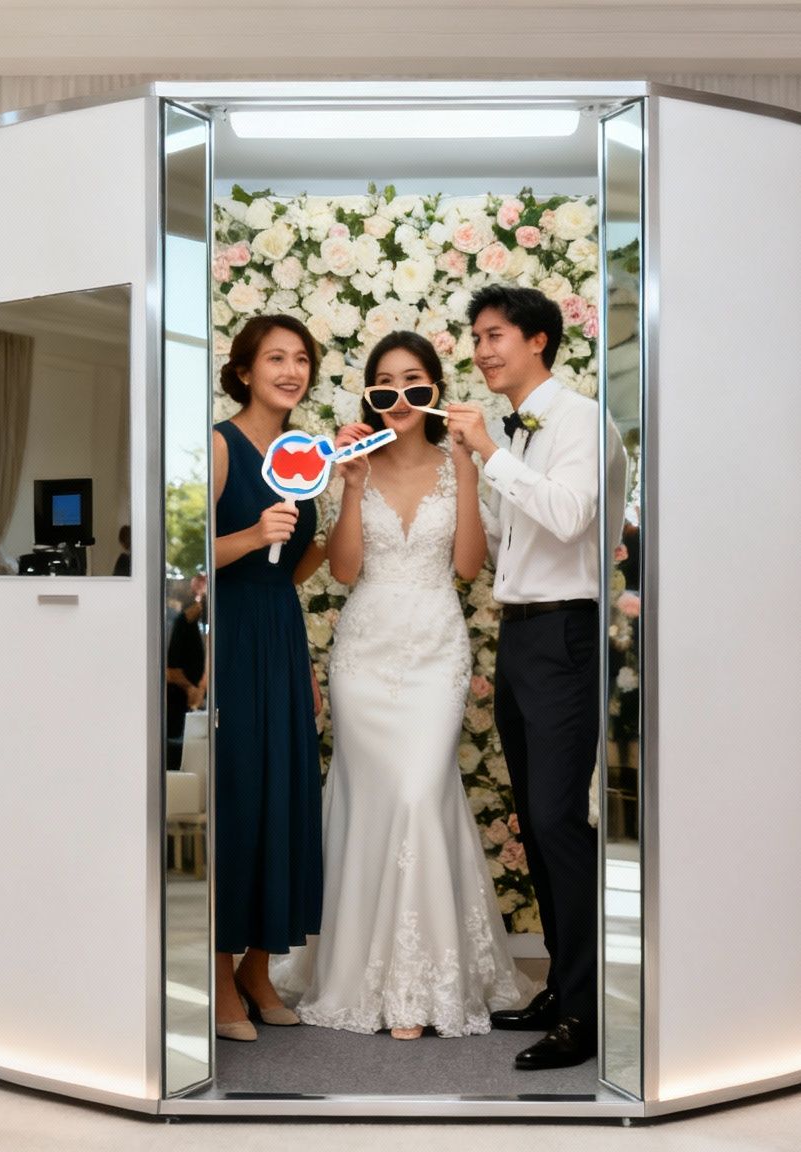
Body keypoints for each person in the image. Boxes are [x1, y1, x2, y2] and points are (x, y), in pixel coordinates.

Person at [280, 332, 529, 1041]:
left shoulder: (457, 465)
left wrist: (472, 473)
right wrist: (351, 489)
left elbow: (469, 567)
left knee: (422, 793)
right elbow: (347, 571)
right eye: (385, 386)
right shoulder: (352, 468)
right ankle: (365, 979)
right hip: (365, 656)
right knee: (376, 802)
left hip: (435, 652)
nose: (399, 398)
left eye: (414, 385)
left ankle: (426, 982)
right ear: (371, 395)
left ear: (433, 393)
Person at [443, 284, 623, 1072]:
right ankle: (560, 985)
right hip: (520, 637)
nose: (482, 351)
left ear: (539, 341)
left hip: (564, 635)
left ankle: (583, 1013)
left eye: (496, 336)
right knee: (536, 823)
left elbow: (569, 514)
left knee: (557, 824)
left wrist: (489, 452)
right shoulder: (517, 430)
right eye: (477, 337)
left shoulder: (580, 418)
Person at [209, 315, 327, 1043]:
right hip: (231, 637)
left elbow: (299, 566)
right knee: (239, 800)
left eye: (302, 358)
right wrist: (254, 534)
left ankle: (259, 968)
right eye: (275, 357)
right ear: (246, 369)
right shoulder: (220, 446)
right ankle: (219, 981)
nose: (290, 369)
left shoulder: (301, 454)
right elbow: (185, 559)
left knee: (284, 798)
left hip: (281, 636)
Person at [165, 574, 207, 772]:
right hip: (178, 704)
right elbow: (171, 671)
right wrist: (192, 688)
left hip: (188, 703)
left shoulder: (194, 627)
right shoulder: (182, 624)